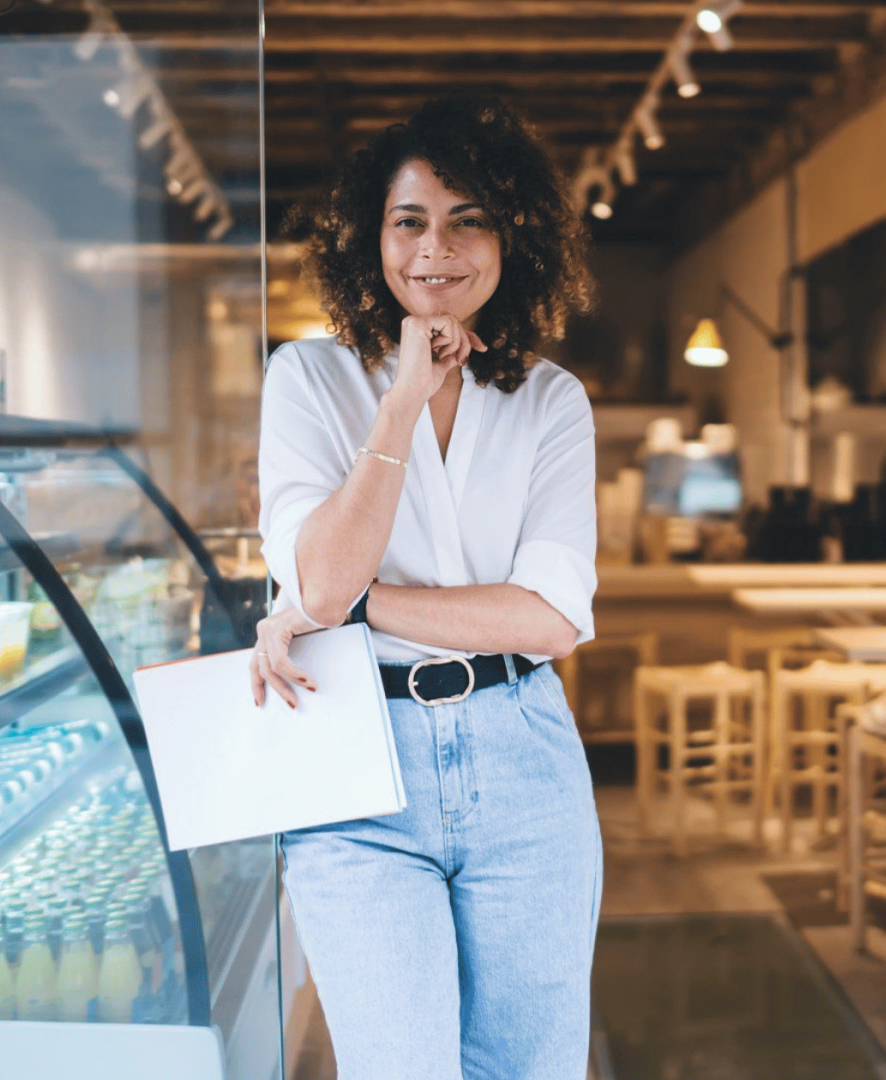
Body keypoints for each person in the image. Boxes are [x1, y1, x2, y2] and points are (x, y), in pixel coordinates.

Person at [248, 96, 601, 1080]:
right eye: (410, 220)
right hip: (356, 759)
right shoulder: (311, 380)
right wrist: (399, 401)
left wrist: (355, 605)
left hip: (523, 758)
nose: (435, 248)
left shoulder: (550, 400)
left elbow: (551, 620)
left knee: (529, 1069)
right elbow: (317, 574)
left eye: (468, 217)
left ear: (511, 238)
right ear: (373, 239)